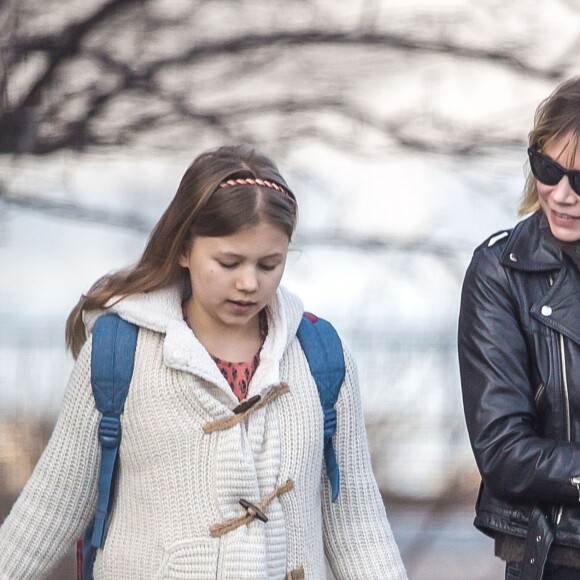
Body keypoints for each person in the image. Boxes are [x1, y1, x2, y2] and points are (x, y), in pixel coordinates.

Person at [0, 145, 407, 579]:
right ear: (183, 250)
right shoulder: (120, 355)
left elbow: (358, 527)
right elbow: (49, 509)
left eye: (269, 264)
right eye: (228, 262)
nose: (249, 282)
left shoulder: (321, 357)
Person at [458, 77, 580, 580]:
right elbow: (504, 451)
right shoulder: (500, 272)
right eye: (547, 169)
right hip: (559, 556)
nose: (562, 193)